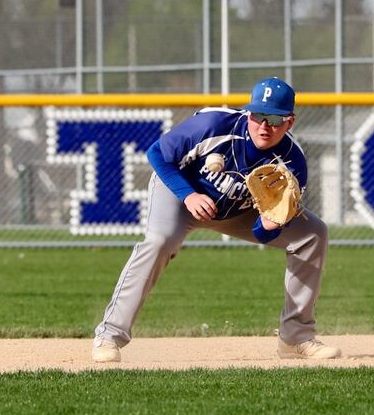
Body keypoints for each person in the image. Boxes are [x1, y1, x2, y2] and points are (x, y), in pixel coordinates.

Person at [91, 76, 340, 362]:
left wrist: (269, 226)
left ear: (290, 122)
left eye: (274, 118)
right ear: (249, 113)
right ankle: (108, 335)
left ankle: (296, 338)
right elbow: (158, 153)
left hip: (235, 210)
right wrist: (188, 195)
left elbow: (262, 233)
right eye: (258, 115)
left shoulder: (292, 163)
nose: (264, 126)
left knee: (313, 233)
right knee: (159, 241)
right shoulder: (213, 125)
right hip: (179, 192)